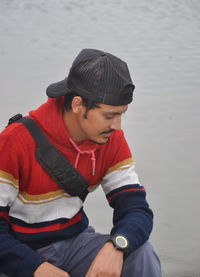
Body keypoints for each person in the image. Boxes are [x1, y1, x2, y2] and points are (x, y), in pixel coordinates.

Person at [0, 48, 161, 277]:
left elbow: (136, 208)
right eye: (109, 115)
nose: (117, 126)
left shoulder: (110, 138)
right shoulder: (14, 142)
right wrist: (35, 268)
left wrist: (117, 246)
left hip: (74, 243)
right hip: (16, 253)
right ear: (77, 105)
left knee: (141, 253)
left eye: (121, 114)